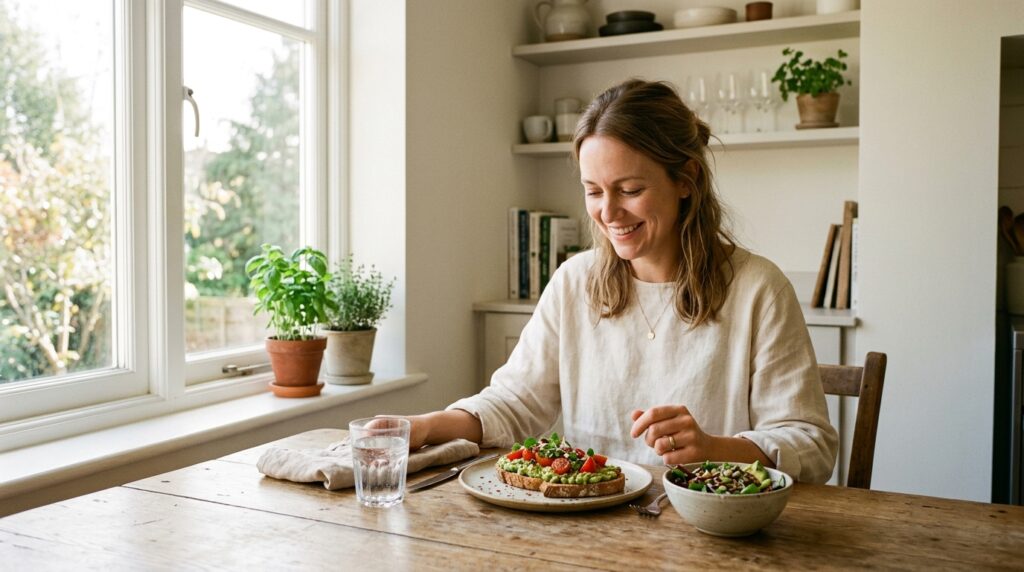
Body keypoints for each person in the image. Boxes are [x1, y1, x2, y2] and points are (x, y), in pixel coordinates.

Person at [404, 79, 838, 483]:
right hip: (590, 530)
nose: (607, 213)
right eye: (594, 191)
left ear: (686, 180)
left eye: (629, 190)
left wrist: (713, 448)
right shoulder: (575, 281)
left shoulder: (758, 289)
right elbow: (514, 404)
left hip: (710, 533)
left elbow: (812, 446)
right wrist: (423, 426)